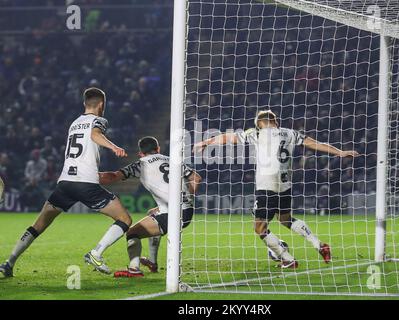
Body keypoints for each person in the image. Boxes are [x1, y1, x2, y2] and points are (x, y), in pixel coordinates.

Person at [193, 110, 360, 268]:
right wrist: (340, 152)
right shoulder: (290, 133)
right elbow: (315, 144)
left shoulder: (256, 133)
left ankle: (287, 259)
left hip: (266, 185)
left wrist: (206, 142)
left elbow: (228, 138)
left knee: (259, 228)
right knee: (285, 219)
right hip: (285, 184)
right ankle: (319, 245)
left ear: (260, 123)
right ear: (275, 121)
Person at [0, 87, 131, 278]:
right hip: (85, 183)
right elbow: (95, 134)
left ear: (84, 104)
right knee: (125, 219)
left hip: (65, 183)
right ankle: (96, 253)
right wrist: (114, 146)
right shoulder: (99, 120)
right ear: (101, 104)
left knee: (38, 225)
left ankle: (8, 263)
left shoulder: (74, 123)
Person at [98, 136, 201, 277]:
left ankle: (134, 270)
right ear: (158, 149)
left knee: (132, 233)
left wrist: (90, 177)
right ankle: (152, 262)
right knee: (153, 216)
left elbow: (113, 177)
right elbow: (196, 178)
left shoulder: (140, 164)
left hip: (174, 214)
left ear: (140, 153)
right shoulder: (172, 160)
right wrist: (186, 198)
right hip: (186, 210)